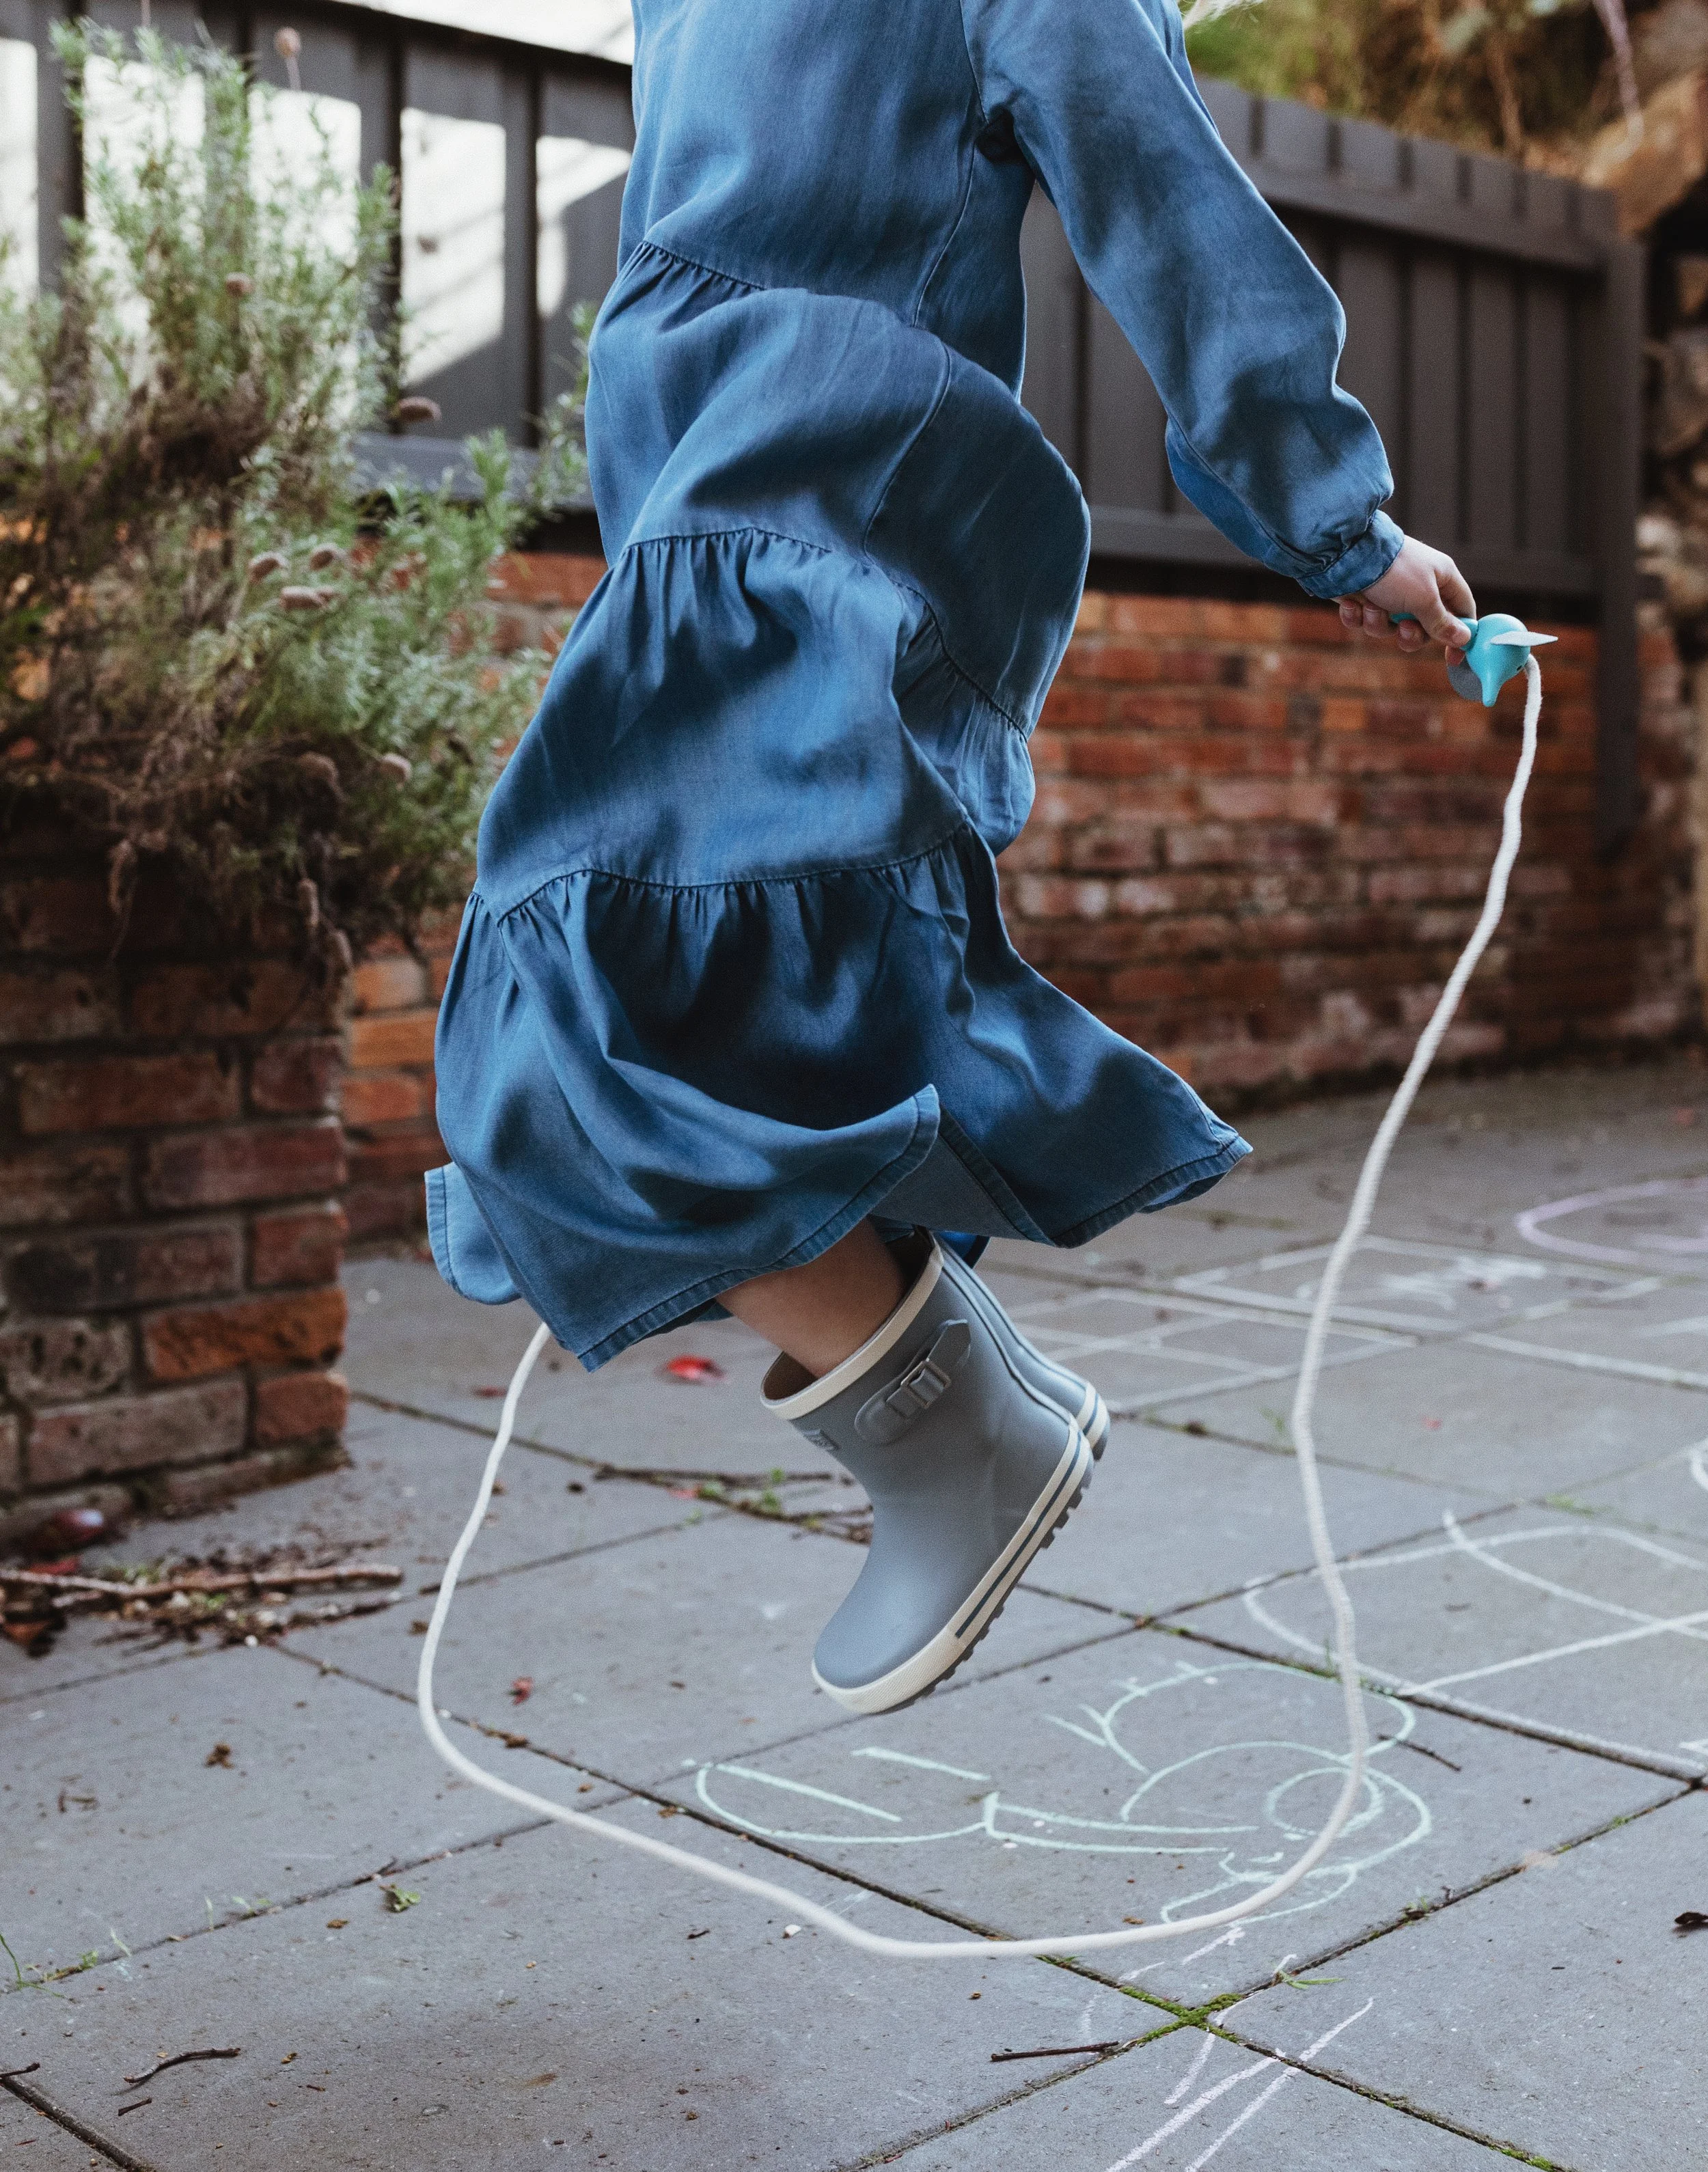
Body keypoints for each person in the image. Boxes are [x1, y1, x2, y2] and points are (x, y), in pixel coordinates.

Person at [426, 0, 1474, 1715]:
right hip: (685, 518)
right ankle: (952, 1406)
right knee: (643, 1038)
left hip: (828, 497)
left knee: (551, 1016)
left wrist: (1329, 513)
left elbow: (1155, 175)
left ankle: (949, 1427)